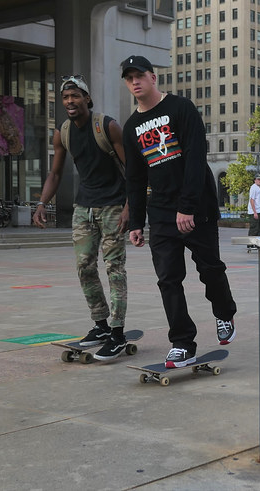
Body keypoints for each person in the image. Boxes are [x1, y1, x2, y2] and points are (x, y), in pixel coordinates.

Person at [119, 55, 238, 369]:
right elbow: (135, 177)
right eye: (129, 78)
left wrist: (187, 207)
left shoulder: (181, 109)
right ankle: (183, 342)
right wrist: (136, 221)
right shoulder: (131, 127)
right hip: (160, 213)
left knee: (209, 268)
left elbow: (196, 158)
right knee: (168, 279)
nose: (135, 82)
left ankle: (224, 312)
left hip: (196, 206)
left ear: (153, 78)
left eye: (140, 76)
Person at [32, 76, 130, 360]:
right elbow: (55, 173)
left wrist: (130, 206)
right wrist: (41, 203)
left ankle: (118, 333)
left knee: (114, 268)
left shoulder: (107, 126)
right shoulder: (62, 132)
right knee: (84, 266)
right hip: (83, 207)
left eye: (75, 96)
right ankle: (100, 325)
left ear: (87, 98)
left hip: (113, 205)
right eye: (65, 98)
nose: (70, 102)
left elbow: (134, 171)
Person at [247, 174, 260, 252]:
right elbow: (252, 200)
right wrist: (255, 212)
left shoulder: (258, 188)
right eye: (258, 179)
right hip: (254, 211)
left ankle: (258, 244)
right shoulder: (253, 188)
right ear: (255, 180)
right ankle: (250, 244)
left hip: (259, 211)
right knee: (254, 228)